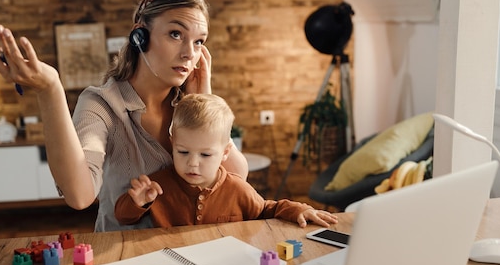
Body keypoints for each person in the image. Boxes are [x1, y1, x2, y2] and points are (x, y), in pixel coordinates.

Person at [0, 0, 249, 231]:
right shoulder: (102, 105)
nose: (189, 53)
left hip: (187, 253)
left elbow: (237, 178)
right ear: (140, 37)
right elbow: (80, 196)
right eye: (175, 34)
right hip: (124, 258)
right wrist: (50, 90)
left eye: (199, 41)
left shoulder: (189, 104)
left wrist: (204, 100)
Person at [114, 93, 338, 228]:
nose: (192, 163)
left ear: (225, 153)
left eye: (205, 155)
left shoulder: (237, 188)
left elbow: (266, 209)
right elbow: (123, 217)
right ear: (172, 144)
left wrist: (298, 209)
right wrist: (138, 202)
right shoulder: (158, 186)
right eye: (183, 152)